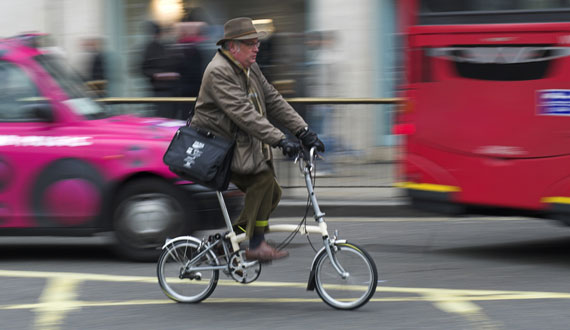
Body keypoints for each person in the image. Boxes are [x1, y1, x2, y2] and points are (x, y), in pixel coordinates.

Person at [190, 17, 325, 261]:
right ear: (233, 46)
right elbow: (243, 114)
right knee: (261, 182)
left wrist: (303, 131)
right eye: (250, 43)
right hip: (219, 150)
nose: (257, 47)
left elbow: (272, 99)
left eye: (257, 42)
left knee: (273, 193)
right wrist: (280, 140)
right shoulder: (218, 71)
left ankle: (229, 242)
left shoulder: (249, 67)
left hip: (240, 146)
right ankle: (255, 243)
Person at [140, 21, 179, 118]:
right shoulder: (150, 48)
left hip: (172, 89)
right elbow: (144, 69)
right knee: (163, 115)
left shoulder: (170, 46)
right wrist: (156, 75)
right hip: (159, 89)